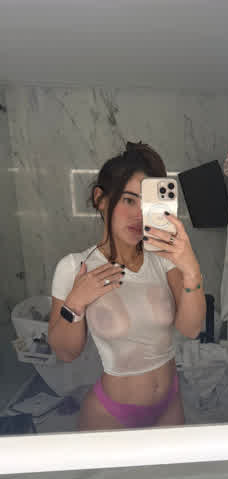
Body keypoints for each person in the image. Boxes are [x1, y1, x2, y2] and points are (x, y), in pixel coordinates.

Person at [48, 141, 206, 430]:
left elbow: (191, 329)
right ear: (101, 199)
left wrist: (192, 270)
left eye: (146, 204)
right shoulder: (74, 267)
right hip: (111, 414)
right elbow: (65, 353)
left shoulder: (163, 260)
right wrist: (75, 303)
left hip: (170, 402)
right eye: (129, 200)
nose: (139, 215)